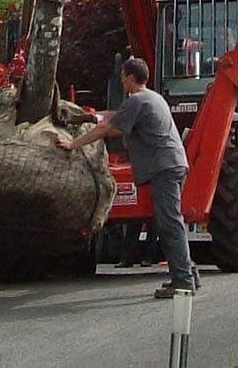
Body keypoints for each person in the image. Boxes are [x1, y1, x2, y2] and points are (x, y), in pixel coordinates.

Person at [56, 57, 197, 298]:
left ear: (132, 77)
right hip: (172, 163)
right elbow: (109, 122)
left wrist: (72, 144)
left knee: (169, 223)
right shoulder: (154, 98)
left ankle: (183, 281)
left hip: (164, 167)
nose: (121, 80)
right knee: (171, 221)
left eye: (123, 76)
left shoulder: (138, 100)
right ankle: (189, 273)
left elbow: (107, 129)